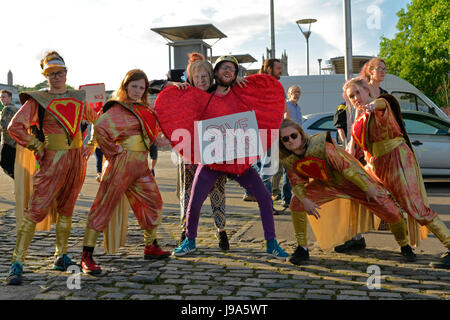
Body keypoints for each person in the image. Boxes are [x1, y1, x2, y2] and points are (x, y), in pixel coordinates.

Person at [162, 55, 289, 259]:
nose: (228, 71)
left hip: (239, 160)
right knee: (194, 202)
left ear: (236, 74)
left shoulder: (241, 92)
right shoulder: (204, 94)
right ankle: (190, 240)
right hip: (211, 161)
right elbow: (180, 100)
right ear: (216, 73)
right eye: (223, 68)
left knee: (265, 197)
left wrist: (242, 81)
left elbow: (263, 94)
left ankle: (271, 243)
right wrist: (177, 86)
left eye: (232, 69)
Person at [6, 51, 98, 285]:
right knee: (36, 209)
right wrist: (37, 145)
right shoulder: (38, 100)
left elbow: (99, 119)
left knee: (67, 208)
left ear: (66, 73)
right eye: (50, 73)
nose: (55, 77)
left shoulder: (78, 98)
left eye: (59, 72)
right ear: (45, 75)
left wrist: (93, 143)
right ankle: (17, 262)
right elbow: (14, 127)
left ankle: (61, 255)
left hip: (76, 160)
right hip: (52, 160)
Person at [344, 76, 450, 269]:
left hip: (397, 159)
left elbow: (380, 104)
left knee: (415, 208)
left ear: (367, 90)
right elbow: (357, 150)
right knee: (363, 196)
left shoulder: (382, 104)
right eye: (351, 97)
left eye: (358, 93)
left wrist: (372, 105)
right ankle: (395, 245)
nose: (356, 98)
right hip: (375, 165)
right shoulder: (357, 122)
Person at [278, 119, 415, 265]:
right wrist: (305, 201)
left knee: (391, 212)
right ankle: (302, 249)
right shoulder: (288, 158)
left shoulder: (321, 146)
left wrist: (366, 187)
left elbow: (347, 168)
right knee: (296, 202)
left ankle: (404, 246)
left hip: (353, 182)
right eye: (285, 139)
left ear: (300, 133)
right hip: (328, 184)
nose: (290, 141)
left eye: (293, 135)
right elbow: (297, 183)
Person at [80, 69, 170, 275]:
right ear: (125, 86)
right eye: (134, 86)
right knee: (104, 205)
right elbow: (99, 127)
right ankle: (87, 255)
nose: (138, 91)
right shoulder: (117, 109)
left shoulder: (146, 109)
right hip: (121, 164)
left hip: (141, 165)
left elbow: (153, 136)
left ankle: (151, 246)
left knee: (154, 201)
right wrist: (114, 151)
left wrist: (168, 138)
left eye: (142, 87)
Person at [333, 58, 390, 252]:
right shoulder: (357, 96)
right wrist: (348, 152)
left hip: (380, 156)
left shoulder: (384, 96)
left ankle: (405, 243)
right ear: (369, 71)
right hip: (362, 156)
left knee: (396, 198)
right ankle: (356, 237)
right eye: (378, 69)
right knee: (353, 196)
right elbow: (353, 128)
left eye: (384, 69)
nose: (383, 72)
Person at [175, 53, 229, 250]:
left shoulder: (222, 92)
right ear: (191, 78)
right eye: (197, 76)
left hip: (215, 152)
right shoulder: (184, 94)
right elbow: (156, 87)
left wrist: (238, 77)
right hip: (189, 152)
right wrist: (172, 86)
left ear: (211, 75)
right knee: (188, 193)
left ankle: (221, 230)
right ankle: (186, 230)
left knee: (218, 191)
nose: (201, 79)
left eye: (205, 74)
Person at [0, 89, 19, 178]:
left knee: (5, 165)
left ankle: (20, 184)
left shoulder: (7, 109)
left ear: (10, 98)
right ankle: (19, 186)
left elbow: (3, 126)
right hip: (16, 143)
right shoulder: (15, 108)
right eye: (0, 97)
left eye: (4, 97)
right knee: (13, 166)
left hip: (8, 142)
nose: (2, 99)